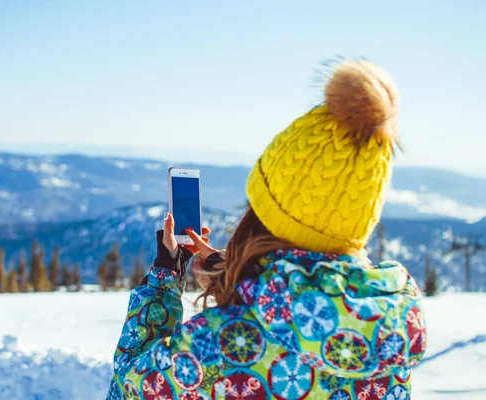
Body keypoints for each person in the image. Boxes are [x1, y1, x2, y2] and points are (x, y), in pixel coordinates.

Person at [107, 59, 426, 399]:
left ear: (264, 218)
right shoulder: (386, 333)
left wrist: (166, 277)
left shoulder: (220, 345)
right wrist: (244, 279)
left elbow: (131, 383)